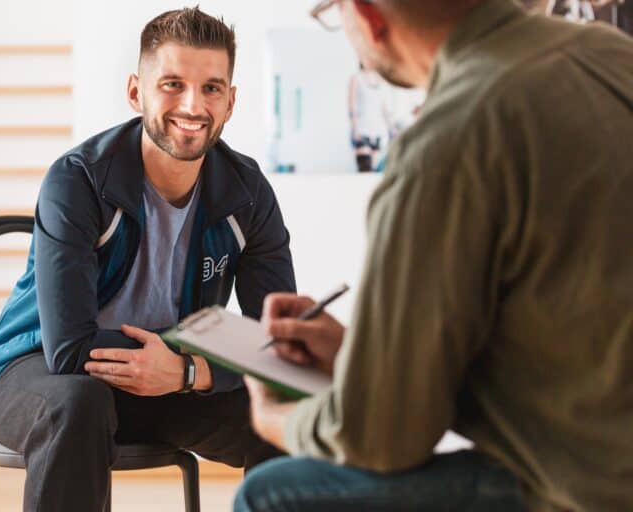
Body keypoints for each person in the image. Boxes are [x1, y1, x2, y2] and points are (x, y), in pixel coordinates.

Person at [235, 0, 633, 511]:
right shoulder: (608, 54)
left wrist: (276, 420)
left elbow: (381, 437)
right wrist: (366, 357)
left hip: (596, 491)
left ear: (369, 16)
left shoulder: (447, 144)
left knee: (273, 494)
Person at [0, 7, 296, 511]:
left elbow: (276, 346)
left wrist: (186, 372)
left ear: (230, 101)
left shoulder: (247, 193)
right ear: (136, 91)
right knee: (79, 401)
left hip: (164, 381)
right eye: (173, 84)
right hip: (34, 375)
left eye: (211, 88)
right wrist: (189, 358)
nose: (193, 104)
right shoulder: (78, 179)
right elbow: (69, 351)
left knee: (290, 407)